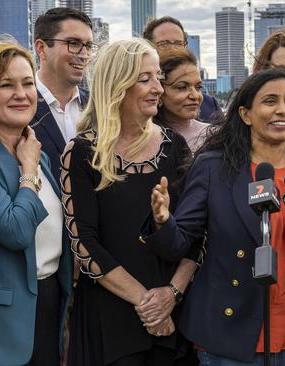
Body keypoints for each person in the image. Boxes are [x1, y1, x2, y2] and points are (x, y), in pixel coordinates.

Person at [140, 68, 285, 365]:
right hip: (232, 337)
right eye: (270, 101)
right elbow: (180, 244)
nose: (283, 110)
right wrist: (163, 221)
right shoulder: (214, 168)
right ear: (245, 114)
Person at [61, 38, 194, 366]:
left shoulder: (175, 147)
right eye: (145, 78)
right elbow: (84, 244)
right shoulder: (80, 153)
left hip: (174, 316)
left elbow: (198, 234)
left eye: (158, 77)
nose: (158, 88)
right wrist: (148, 304)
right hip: (109, 320)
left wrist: (171, 295)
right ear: (117, 84)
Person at [0, 41, 73, 365]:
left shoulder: (36, 154)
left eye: (27, 83)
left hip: (48, 310)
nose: (21, 93)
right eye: (7, 84)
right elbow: (16, 231)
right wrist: (30, 169)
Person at [31, 7, 93, 183]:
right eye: (73, 43)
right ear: (41, 48)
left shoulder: (98, 106)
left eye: (88, 45)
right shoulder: (18, 106)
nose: (84, 54)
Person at [143, 16, 222, 123]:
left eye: (178, 44)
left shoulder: (208, 105)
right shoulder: (141, 102)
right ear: (148, 47)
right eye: (163, 44)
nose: (173, 49)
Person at [154, 47, 209, 154]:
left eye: (198, 87)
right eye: (182, 87)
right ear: (159, 90)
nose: (195, 96)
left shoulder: (215, 136)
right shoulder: (143, 140)